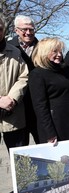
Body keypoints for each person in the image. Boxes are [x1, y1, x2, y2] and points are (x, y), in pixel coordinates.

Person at [28, 37, 69, 144]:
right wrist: (49, 133)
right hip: (53, 126)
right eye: (55, 51)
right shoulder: (37, 74)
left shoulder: (64, 71)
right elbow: (40, 107)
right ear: (44, 52)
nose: (59, 54)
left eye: (60, 51)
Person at [8, 15, 39, 145]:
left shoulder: (43, 47)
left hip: (38, 106)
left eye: (31, 29)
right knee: (19, 154)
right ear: (16, 30)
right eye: (24, 29)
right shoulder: (8, 48)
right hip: (15, 108)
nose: (28, 33)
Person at [0, 15, 29, 151]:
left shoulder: (15, 52)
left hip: (13, 116)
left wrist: (12, 98)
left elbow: (24, 77)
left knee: (20, 164)